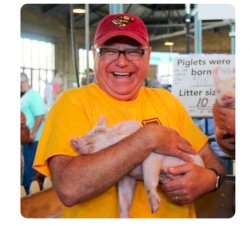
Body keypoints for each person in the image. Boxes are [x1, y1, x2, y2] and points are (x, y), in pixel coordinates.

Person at [33, 13, 225, 218]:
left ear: (148, 55)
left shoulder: (167, 101)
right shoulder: (72, 102)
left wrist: (210, 180)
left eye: (133, 51)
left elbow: (213, 163)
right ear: (95, 55)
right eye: (110, 51)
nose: (122, 62)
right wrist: (148, 139)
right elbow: (70, 188)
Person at [21, 72, 46, 194]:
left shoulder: (33, 95)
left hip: (34, 138)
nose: (19, 86)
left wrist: (33, 133)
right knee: (27, 164)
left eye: (21, 83)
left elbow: (40, 115)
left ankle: (30, 191)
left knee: (31, 167)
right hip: (26, 137)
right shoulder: (25, 96)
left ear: (25, 82)